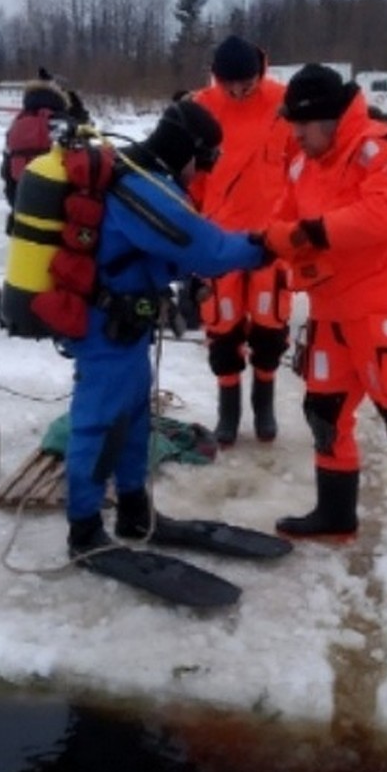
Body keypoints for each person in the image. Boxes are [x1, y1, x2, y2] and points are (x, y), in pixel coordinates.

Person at [263, 63, 387, 579]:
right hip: (331, 312)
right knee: (324, 413)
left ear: (329, 118)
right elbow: (283, 222)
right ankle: (335, 514)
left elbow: (382, 218)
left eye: (303, 126)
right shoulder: (303, 164)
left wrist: (306, 235)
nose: (296, 136)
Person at [62, 99, 270, 558]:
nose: (205, 173)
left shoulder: (144, 180)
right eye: (207, 161)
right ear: (189, 152)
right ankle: (84, 529)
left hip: (127, 325)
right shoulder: (140, 188)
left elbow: (163, 248)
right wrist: (264, 246)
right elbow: (206, 247)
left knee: (134, 417)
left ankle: (134, 508)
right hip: (104, 328)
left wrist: (185, 275)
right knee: (99, 424)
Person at [186, 35, 297, 446]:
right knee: (223, 325)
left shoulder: (283, 104)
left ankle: (263, 405)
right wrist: (190, 224)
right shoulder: (201, 107)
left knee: (270, 325)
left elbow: (301, 169)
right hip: (218, 240)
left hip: (272, 237)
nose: (236, 91)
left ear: (259, 73)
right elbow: (190, 177)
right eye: (227, 83)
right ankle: (228, 411)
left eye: (244, 83)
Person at [0, 68, 88, 234]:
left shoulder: (17, 124)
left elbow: (6, 172)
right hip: (60, 215)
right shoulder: (63, 123)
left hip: (23, 211)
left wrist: (16, 207)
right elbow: (85, 164)